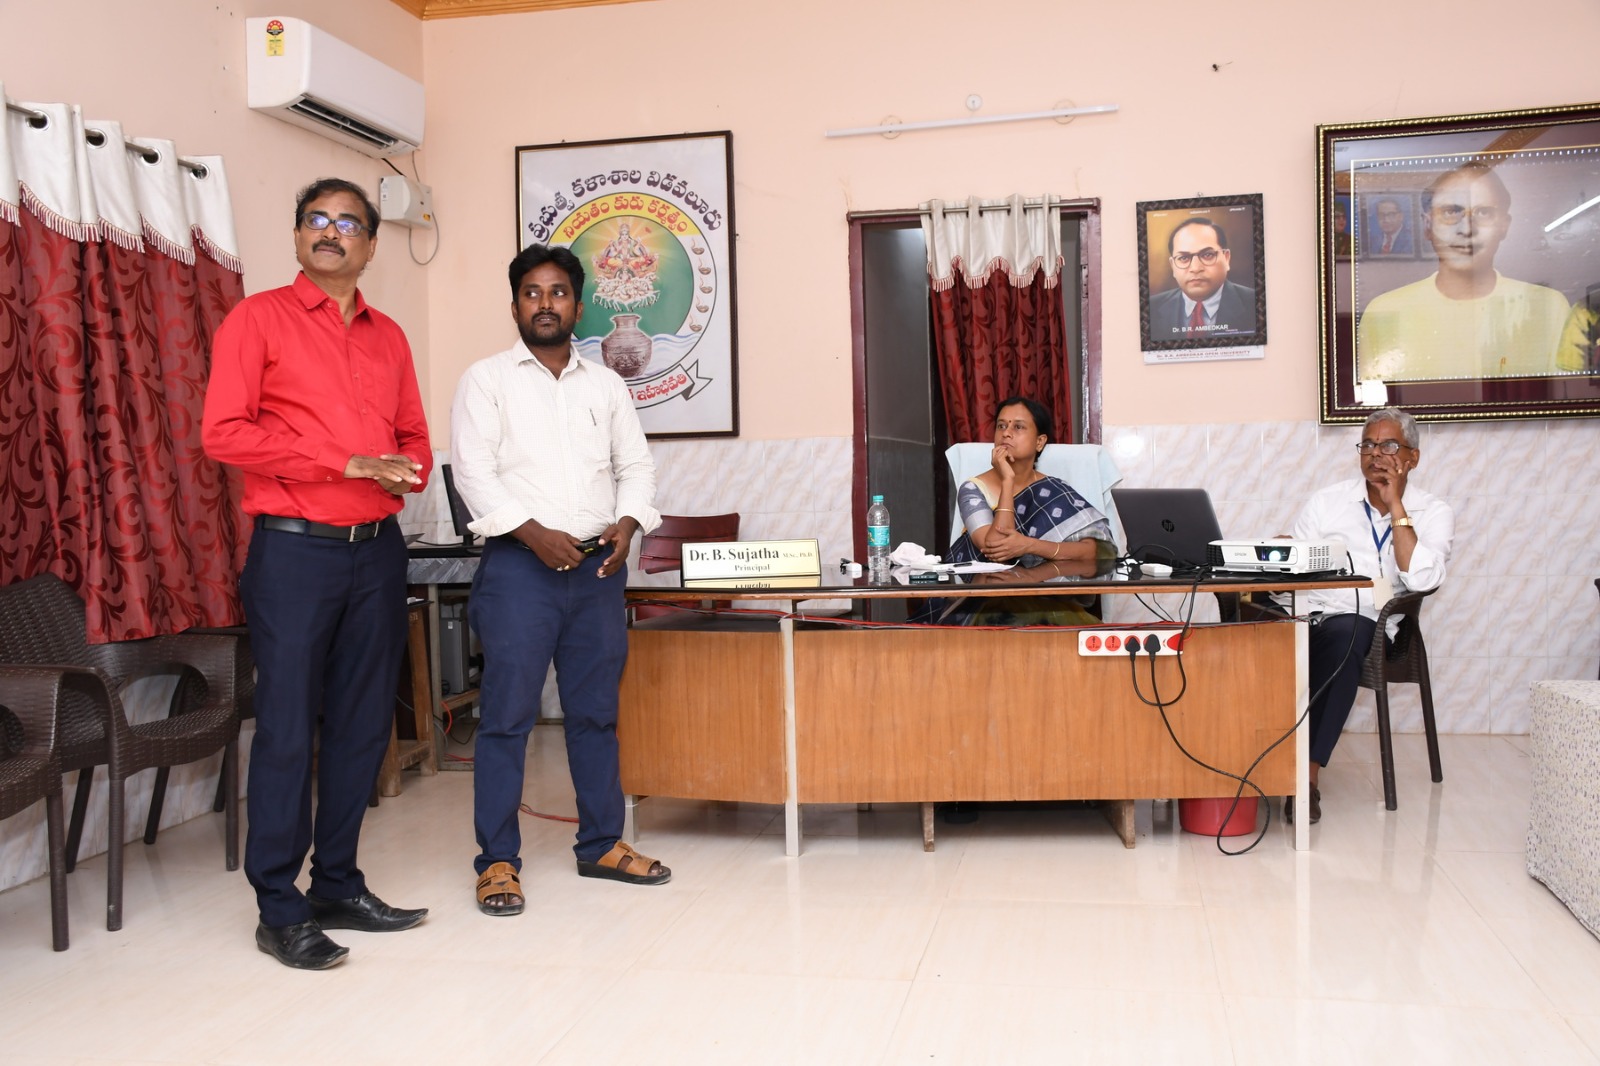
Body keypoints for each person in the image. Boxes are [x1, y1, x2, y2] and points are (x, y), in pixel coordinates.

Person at [203, 178, 432, 970]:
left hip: (377, 550)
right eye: (316, 220)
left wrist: (406, 467)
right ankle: (278, 907)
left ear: (371, 244)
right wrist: (346, 461)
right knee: (288, 727)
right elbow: (223, 433)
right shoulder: (257, 319)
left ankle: (336, 883)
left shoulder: (389, 336)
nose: (330, 232)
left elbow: (414, 435)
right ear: (299, 235)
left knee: (364, 724)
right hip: (295, 553)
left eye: (348, 223)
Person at [451, 243, 670, 917]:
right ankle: (497, 862)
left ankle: (601, 843)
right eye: (532, 293)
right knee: (507, 719)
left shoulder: (605, 386)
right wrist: (533, 534)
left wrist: (628, 525)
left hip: (598, 570)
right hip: (520, 571)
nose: (545, 304)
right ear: (515, 304)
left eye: (558, 293)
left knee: (596, 715)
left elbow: (635, 467)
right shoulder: (486, 380)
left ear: (578, 305)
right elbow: (473, 473)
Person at [1275, 407, 1453, 823]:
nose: (1375, 454)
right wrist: (1284, 556)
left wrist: (1396, 506)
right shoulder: (1327, 502)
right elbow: (1294, 572)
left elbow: (1422, 579)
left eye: (1388, 445)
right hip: (1308, 616)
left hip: (1371, 629)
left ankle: (1305, 778)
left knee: (1349, 633)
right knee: (1240, 630)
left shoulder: (1433, 511)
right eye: (1368, 445)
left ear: (1412, 458)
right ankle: (1238, 764)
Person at [1356, 163, 1569, 379]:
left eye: (1483, 212)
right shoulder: (1384, 311)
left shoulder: (1549, 306)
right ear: (1427, 225)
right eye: (1451, 212)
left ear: (1504, 225)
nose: (1467, 229)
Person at [941, 396, 1117, 627]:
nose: (1006, 433)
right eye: (1001, 426)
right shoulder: (973, 489)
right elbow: (996, 549)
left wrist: (1030, 546)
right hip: (990, 604)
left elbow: (1100, 553)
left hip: (1049, 599)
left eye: (1018, 427)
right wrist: (1007, 480)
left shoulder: (1054, 489)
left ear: (1040, 442)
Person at [1147, 218, 1258, 339]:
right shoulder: (1151, 308)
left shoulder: (1254, 304)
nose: (1195, 268)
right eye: (1183, 258)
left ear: (1226, 258)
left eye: (1207, 255)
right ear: (1172, 266)